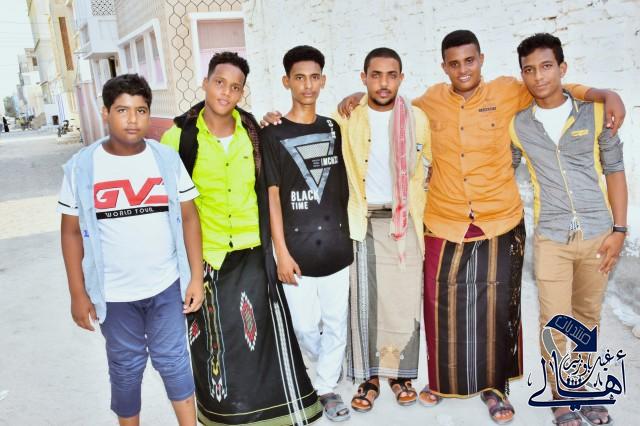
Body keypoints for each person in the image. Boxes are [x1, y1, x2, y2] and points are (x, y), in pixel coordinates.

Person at [338, 30, 625, 424]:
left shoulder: (509, 91)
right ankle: (444, 382)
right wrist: (358, 98)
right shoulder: (429, 102)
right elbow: (392, 106)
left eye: (469, 61)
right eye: (454, 63)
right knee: (441, 305)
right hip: (444, 218)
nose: (463, 69)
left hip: (498, 218)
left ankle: (495, 387)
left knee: (497, 310)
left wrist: (605, 93)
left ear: (481, 60)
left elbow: (554, 88)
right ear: (444, 67)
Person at [161, 51, 321, 425]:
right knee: (216, 342)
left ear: (242, 92)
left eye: (235, 87)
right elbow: (167, 202)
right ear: (205, 83)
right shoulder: (178, 137)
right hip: (208, 255)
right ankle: (224, 416)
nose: (226, 92)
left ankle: (270, 416)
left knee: (262, 339)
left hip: (253, 251)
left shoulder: (254, 133)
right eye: (219, 83)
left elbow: (270, 190)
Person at [58, 73, 203, 426]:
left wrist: (195, 278)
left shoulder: (165, 160)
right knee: (125, 367)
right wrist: (78, 293)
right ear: (105, 113)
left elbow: (189, 218)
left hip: (166, 285)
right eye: (122, 110)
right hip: (114, 293)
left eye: (141, 110)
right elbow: (71, 232)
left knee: (174, 361)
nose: (132, 119)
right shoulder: (83, 167)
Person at [511, 33, 626, 426]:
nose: (538, 76)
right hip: (551, 237)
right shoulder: (518, 126)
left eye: (546, 66)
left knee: (587, 316)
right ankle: (560, 394)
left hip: (598, 234)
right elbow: (500, 168)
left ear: (562, 68)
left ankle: (584, 386)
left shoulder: (595, 114)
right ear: (523, 75)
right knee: (555, 319)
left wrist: (619, 229)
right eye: (529, 69)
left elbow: (615, 171)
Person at [261, 45, 353, 422]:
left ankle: (326, 386)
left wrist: (358, 95)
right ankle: (325, 361)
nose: (308, 85)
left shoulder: (332, 128)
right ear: (287, 82)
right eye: (299, 77)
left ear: (323, 80)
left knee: (336, 321)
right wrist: (280, 252)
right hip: (296, 251)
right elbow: (272, 196)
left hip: (336, 245)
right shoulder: (272, 133)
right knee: (303, 325)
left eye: (314, 77)